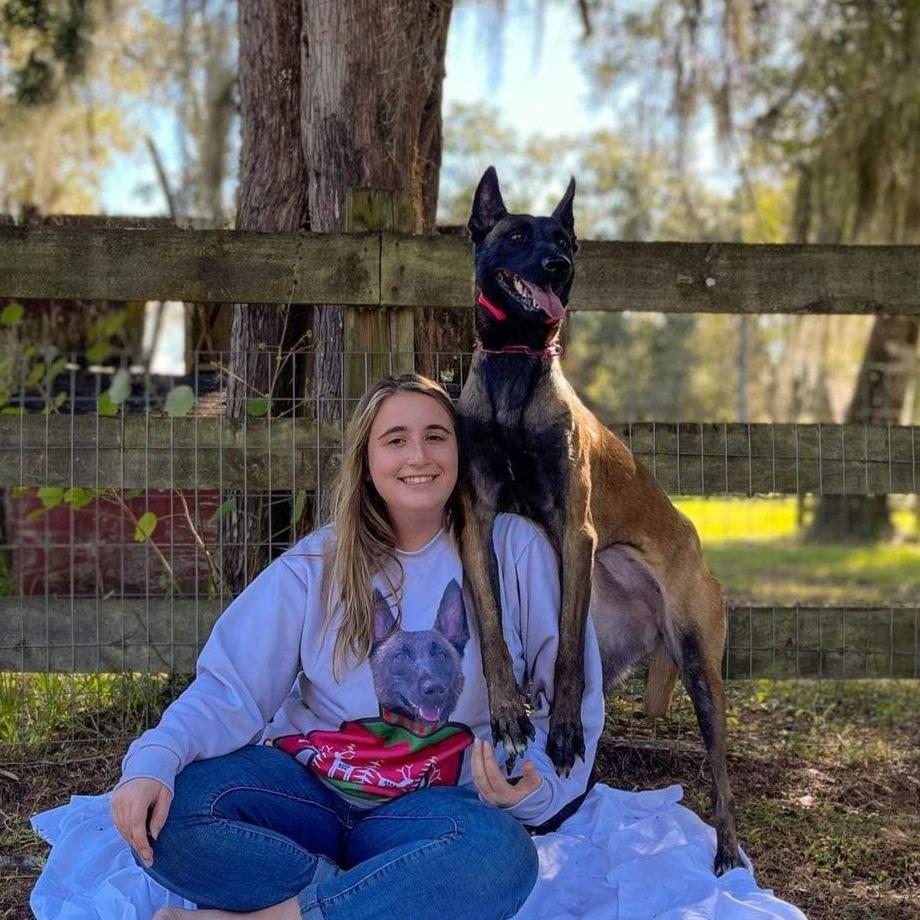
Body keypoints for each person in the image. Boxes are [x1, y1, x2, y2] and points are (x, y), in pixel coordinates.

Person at [110, 373, 604, 920]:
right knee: (172, 816)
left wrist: (530, 791)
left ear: (461, 451)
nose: (418, 454)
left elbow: (573, 701)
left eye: (437, 436)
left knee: (501, 857)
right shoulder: (316, 564)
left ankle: (281, 913)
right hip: (306, 796)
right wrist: (152, 762)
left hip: (431, 812)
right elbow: (231, 689)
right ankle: (373, 899)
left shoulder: (516, 552)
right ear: (366, 461)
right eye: (395, 439)